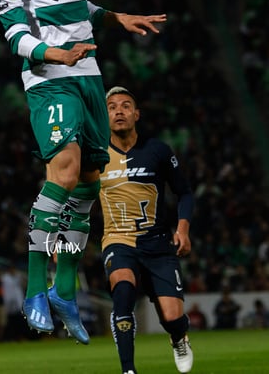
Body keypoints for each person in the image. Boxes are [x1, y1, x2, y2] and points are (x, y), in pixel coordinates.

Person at [0, 0, 167, 344]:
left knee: (90, 182)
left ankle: (64, 288)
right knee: (64, 173)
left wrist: (114, 17)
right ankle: (34, 289)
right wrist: (56, 54)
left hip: (89, 77)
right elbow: (15, 36)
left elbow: (77, 4)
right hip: (50, 80)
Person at [100, 86, 194, 374]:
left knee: (171, 317)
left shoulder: (158, 150)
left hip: (158, 244)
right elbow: (76, 196)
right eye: (112, 106)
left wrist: (183, 229)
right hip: (118, 242)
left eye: (126, 106)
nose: (119, 110)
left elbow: (185, 193)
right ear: (105, 116)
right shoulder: (95, 155)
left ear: (136, 114)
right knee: (123, 292)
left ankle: (179, 338)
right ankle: (128, 370)